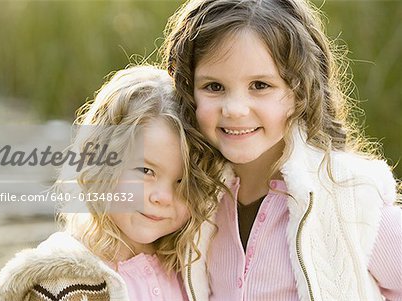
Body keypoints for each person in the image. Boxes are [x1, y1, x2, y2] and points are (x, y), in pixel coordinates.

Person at [161, 0, 402, 300]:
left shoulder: (349, 197)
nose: (235, 109)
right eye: (214, 86)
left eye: (260, 85)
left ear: (299, 92)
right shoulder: (193, 199)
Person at [0, 65, 223, 301]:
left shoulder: (190, 267)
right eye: (146, 170)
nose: (163, 197)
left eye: (183, 182)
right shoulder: (63, 280)